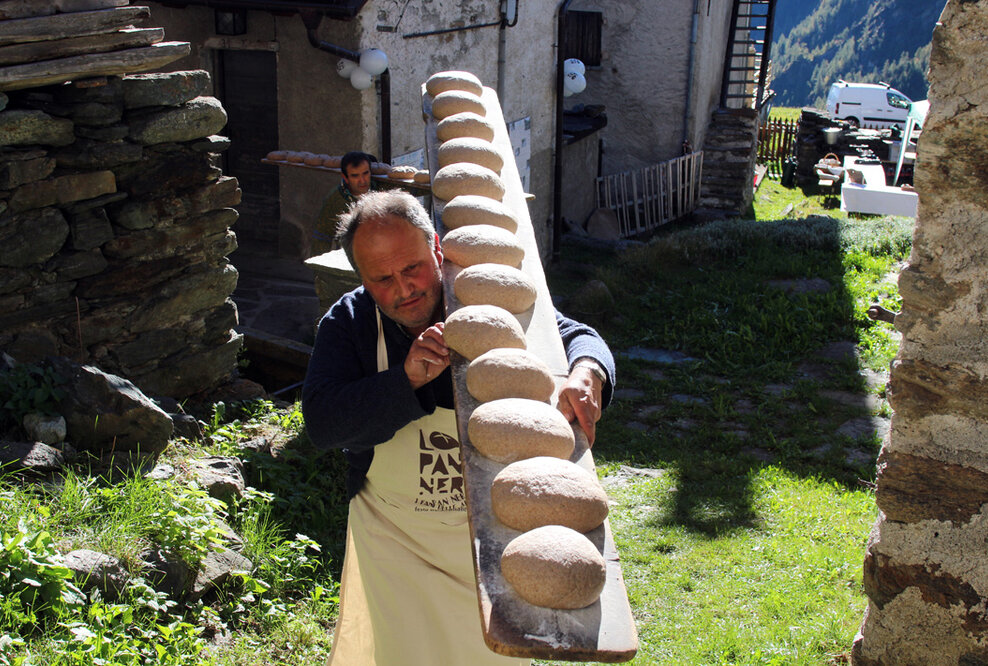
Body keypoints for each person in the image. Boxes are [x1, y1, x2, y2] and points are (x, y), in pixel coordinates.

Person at [302, 190, 615, 666]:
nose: (403, 289)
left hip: (495, 540)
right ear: (361, 279)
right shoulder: (349, 323)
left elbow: (571, 334)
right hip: (396, 539)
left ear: (436, 249)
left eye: (412, 268)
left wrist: (589, 369)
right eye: (381, 279)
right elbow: (323, 423)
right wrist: (404, 382)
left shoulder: (478, 300)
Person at [312, 151, 377, 256]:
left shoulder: (381, 192)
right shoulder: (335, 200)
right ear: (345, 178)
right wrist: (320, 271)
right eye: (355, 176)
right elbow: (322, 237)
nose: (362, 181)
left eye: (365, 173)